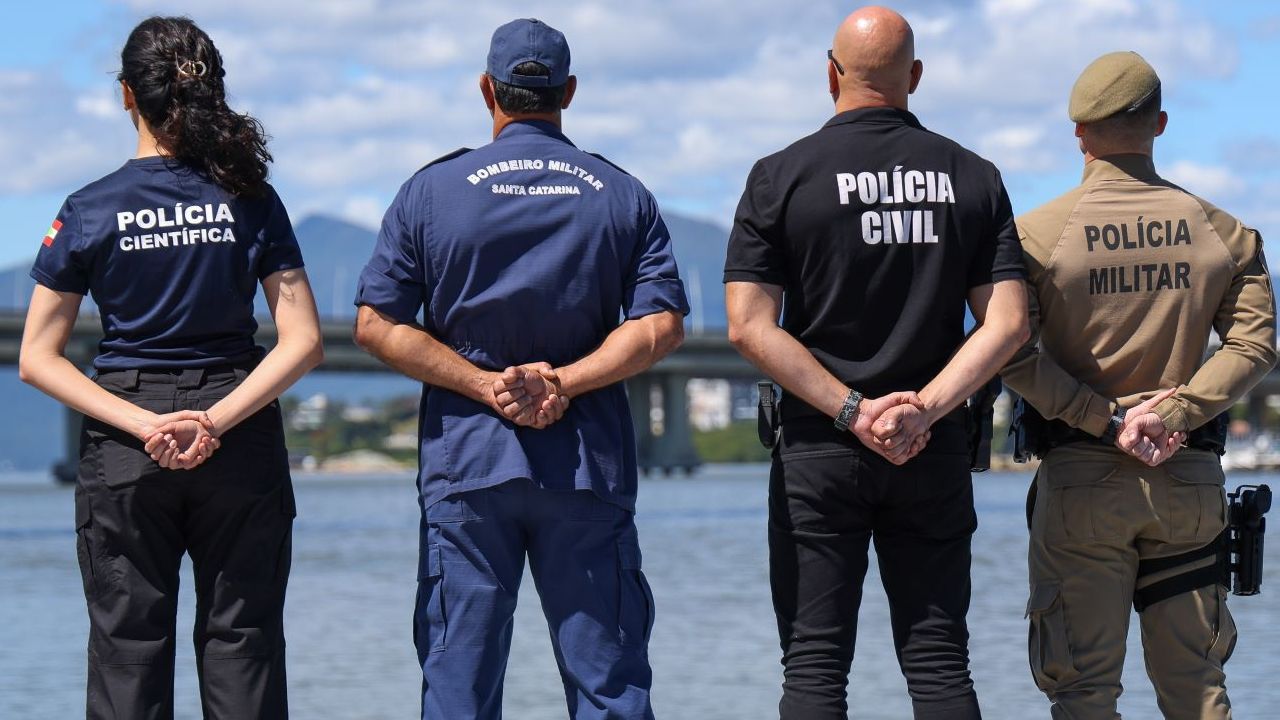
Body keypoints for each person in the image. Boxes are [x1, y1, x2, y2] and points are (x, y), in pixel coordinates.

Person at [352, 18, 688, 720]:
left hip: (468, 464)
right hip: (586, 466)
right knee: (609, 688)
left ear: (487, 90)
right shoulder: (621, 193)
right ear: (569, 91)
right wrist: (564, 382)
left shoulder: (432, 192)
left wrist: (484, 385)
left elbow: (376, 326)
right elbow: (660, 326)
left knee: (459, 688)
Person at [724, 6, 1028, 719]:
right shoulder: (973, 177)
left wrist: (852, 411)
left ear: (830, 75)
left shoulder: (780, 176)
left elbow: (747, 326)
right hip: (932, 446)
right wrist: (925, 409)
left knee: (814, 665)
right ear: (914, 76)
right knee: (940, 663)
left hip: (819, 448)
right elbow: (1009, 323)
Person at [18, 16, 323, 720]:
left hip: (127, 449)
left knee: (127, 654)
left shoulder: (89, 209)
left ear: (128, 94)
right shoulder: (252, 196)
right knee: (243, 646)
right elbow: (304, 340)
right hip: (237, 435)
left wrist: (145, 425)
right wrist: (212, 422)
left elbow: (36, 357)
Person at [1000, 50, 1276, 719]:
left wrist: (1104, 418)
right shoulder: (1224, 234)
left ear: (1079, 133)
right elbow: (1255, 345)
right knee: (1198, 692)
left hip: (1081, 486)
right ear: (1160, 124)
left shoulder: (1034, 237)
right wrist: (1176, 411)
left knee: (1083, 692)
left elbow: (1007, 350)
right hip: (1187, 483)